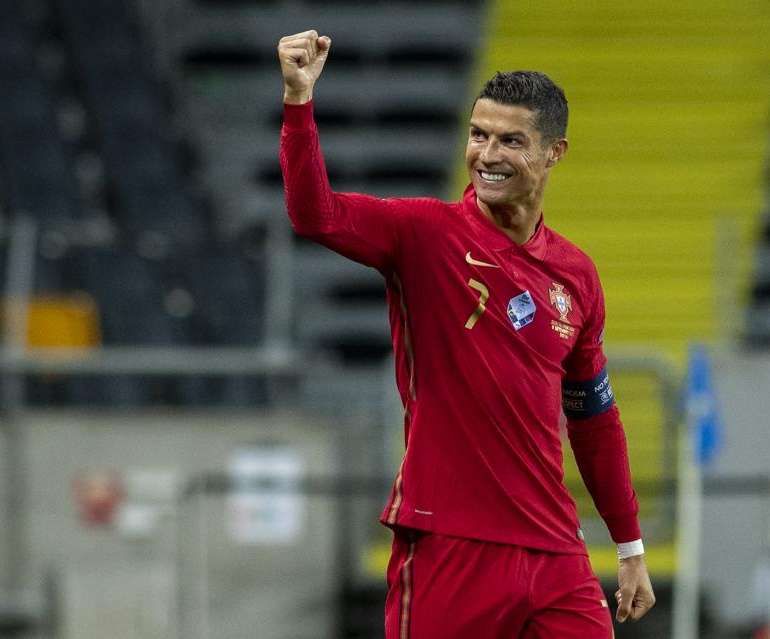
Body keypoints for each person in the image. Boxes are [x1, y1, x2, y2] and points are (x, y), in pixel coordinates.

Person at [278, 30, 655, 637]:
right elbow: (313, 212)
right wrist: (299, 101)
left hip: (554, 548)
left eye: (511, 140)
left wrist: (629, 546)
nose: (487, 154)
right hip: (448, 537)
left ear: (554, 153)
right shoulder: (424, 234)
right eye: (478, 135)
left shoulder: (576, 275)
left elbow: (594, 418)